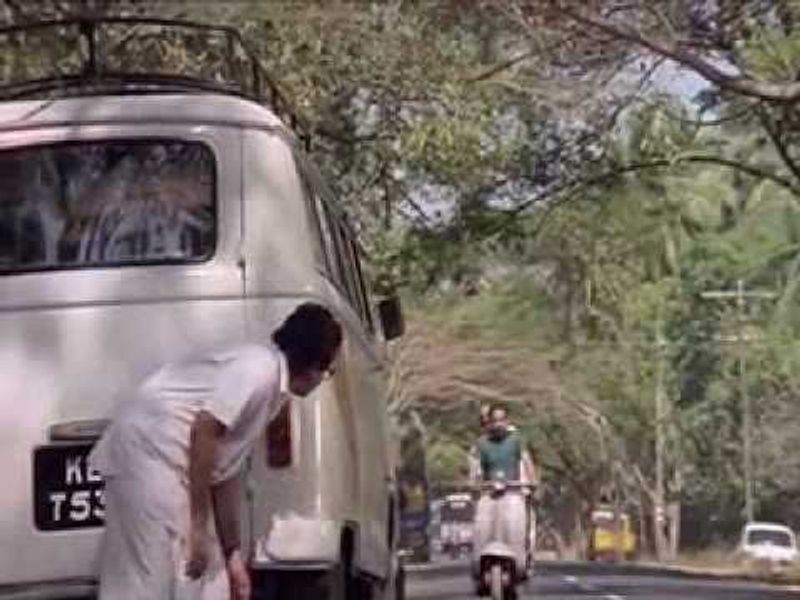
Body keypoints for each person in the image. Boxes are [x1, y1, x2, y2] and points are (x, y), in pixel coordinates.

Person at [89, 303, 343, 600]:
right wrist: (197, 527)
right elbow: (205, 429)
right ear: (314, 365)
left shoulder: (273, 390)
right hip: (147, 455)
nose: (323, 379)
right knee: (149, 579)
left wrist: (232, 554)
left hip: (173, 463)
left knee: (210, 578)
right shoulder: (259, 370)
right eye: (328, 370)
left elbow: (224, 471)